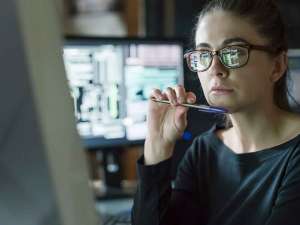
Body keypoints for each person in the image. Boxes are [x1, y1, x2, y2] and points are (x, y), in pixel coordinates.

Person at [132, 0, 300, 225]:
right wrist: (158, 146)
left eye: (233, 52)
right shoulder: (204, 151)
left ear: (277, 66)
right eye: (203, 55)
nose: (215, 69)